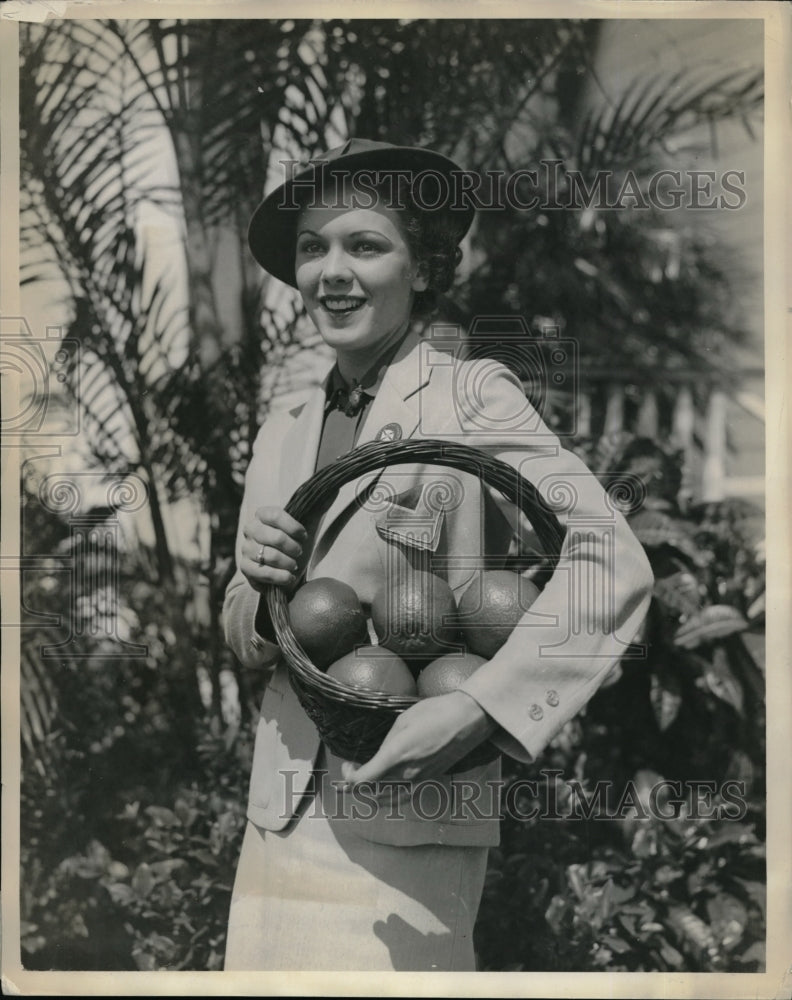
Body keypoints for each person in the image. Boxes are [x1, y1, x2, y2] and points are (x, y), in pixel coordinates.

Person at [222, 138, 654, 971]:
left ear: (421, 269)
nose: (332, 272)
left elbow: (609, 554)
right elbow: (245, 627)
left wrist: (480, 708)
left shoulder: (470, 393)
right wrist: (257, 590)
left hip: (414, 811)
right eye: (314, 248)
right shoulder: (283, 423)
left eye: (365, 245)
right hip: (276, 817)